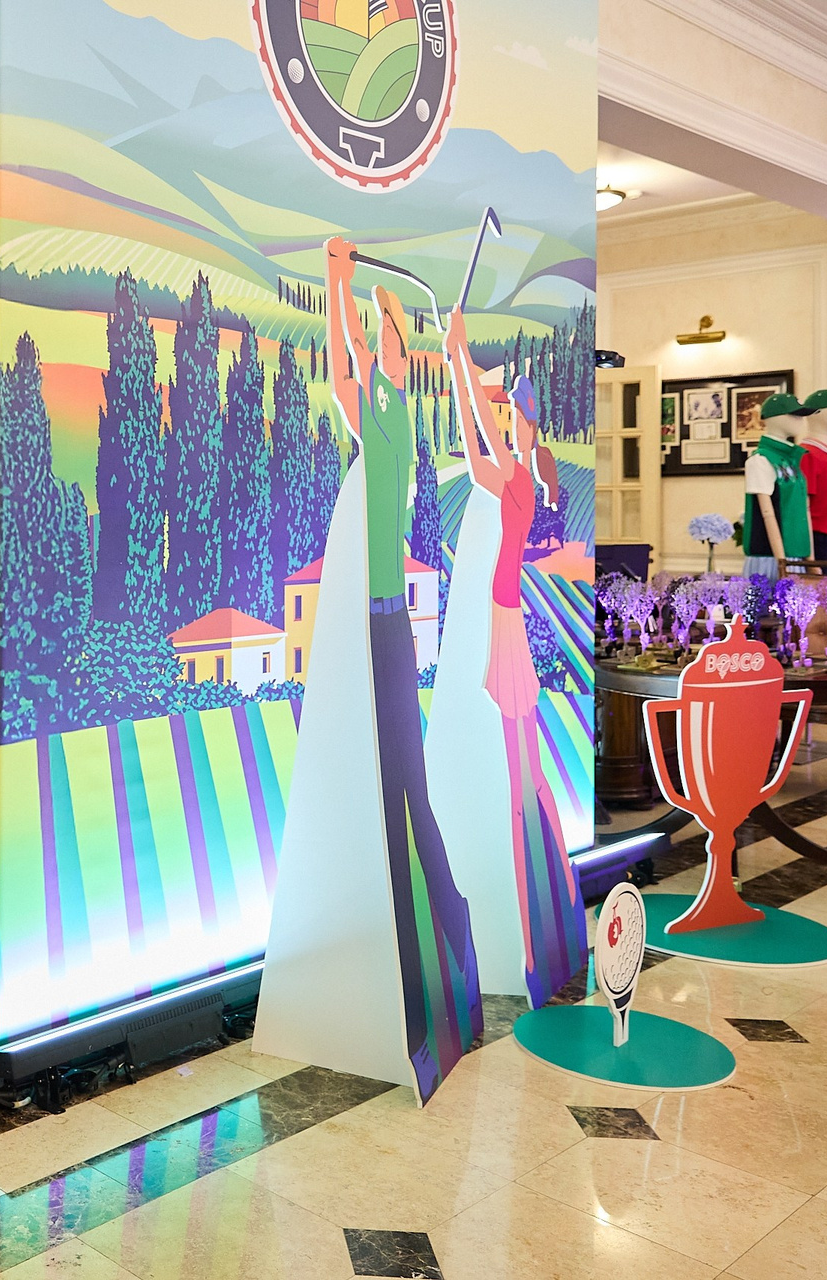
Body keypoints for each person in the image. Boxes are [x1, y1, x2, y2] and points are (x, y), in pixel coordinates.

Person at [324, 237, 481, 1095]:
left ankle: (431, 929)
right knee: (392, 783)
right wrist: (340, 281)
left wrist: (354, 289)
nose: (380, 345)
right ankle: (413, 931)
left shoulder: (393, 417)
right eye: (380, 336)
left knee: (405, 783)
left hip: (387, 625)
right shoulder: (373, 406)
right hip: (372, 623)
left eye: (389, 337)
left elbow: (356, 358)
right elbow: (343, 359)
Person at [443, 306, 586, 1007]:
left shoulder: (522, 477)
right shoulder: (510, 476)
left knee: (520, 780)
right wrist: (456, 368)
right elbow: (474, 451)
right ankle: (539, 933)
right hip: (500, 623)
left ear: (522, 423)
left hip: (503, 625)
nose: (502, 418)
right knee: (518, 775)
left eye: (509, 412)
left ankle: (533, 937)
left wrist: (461, 359)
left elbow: (486, 441)